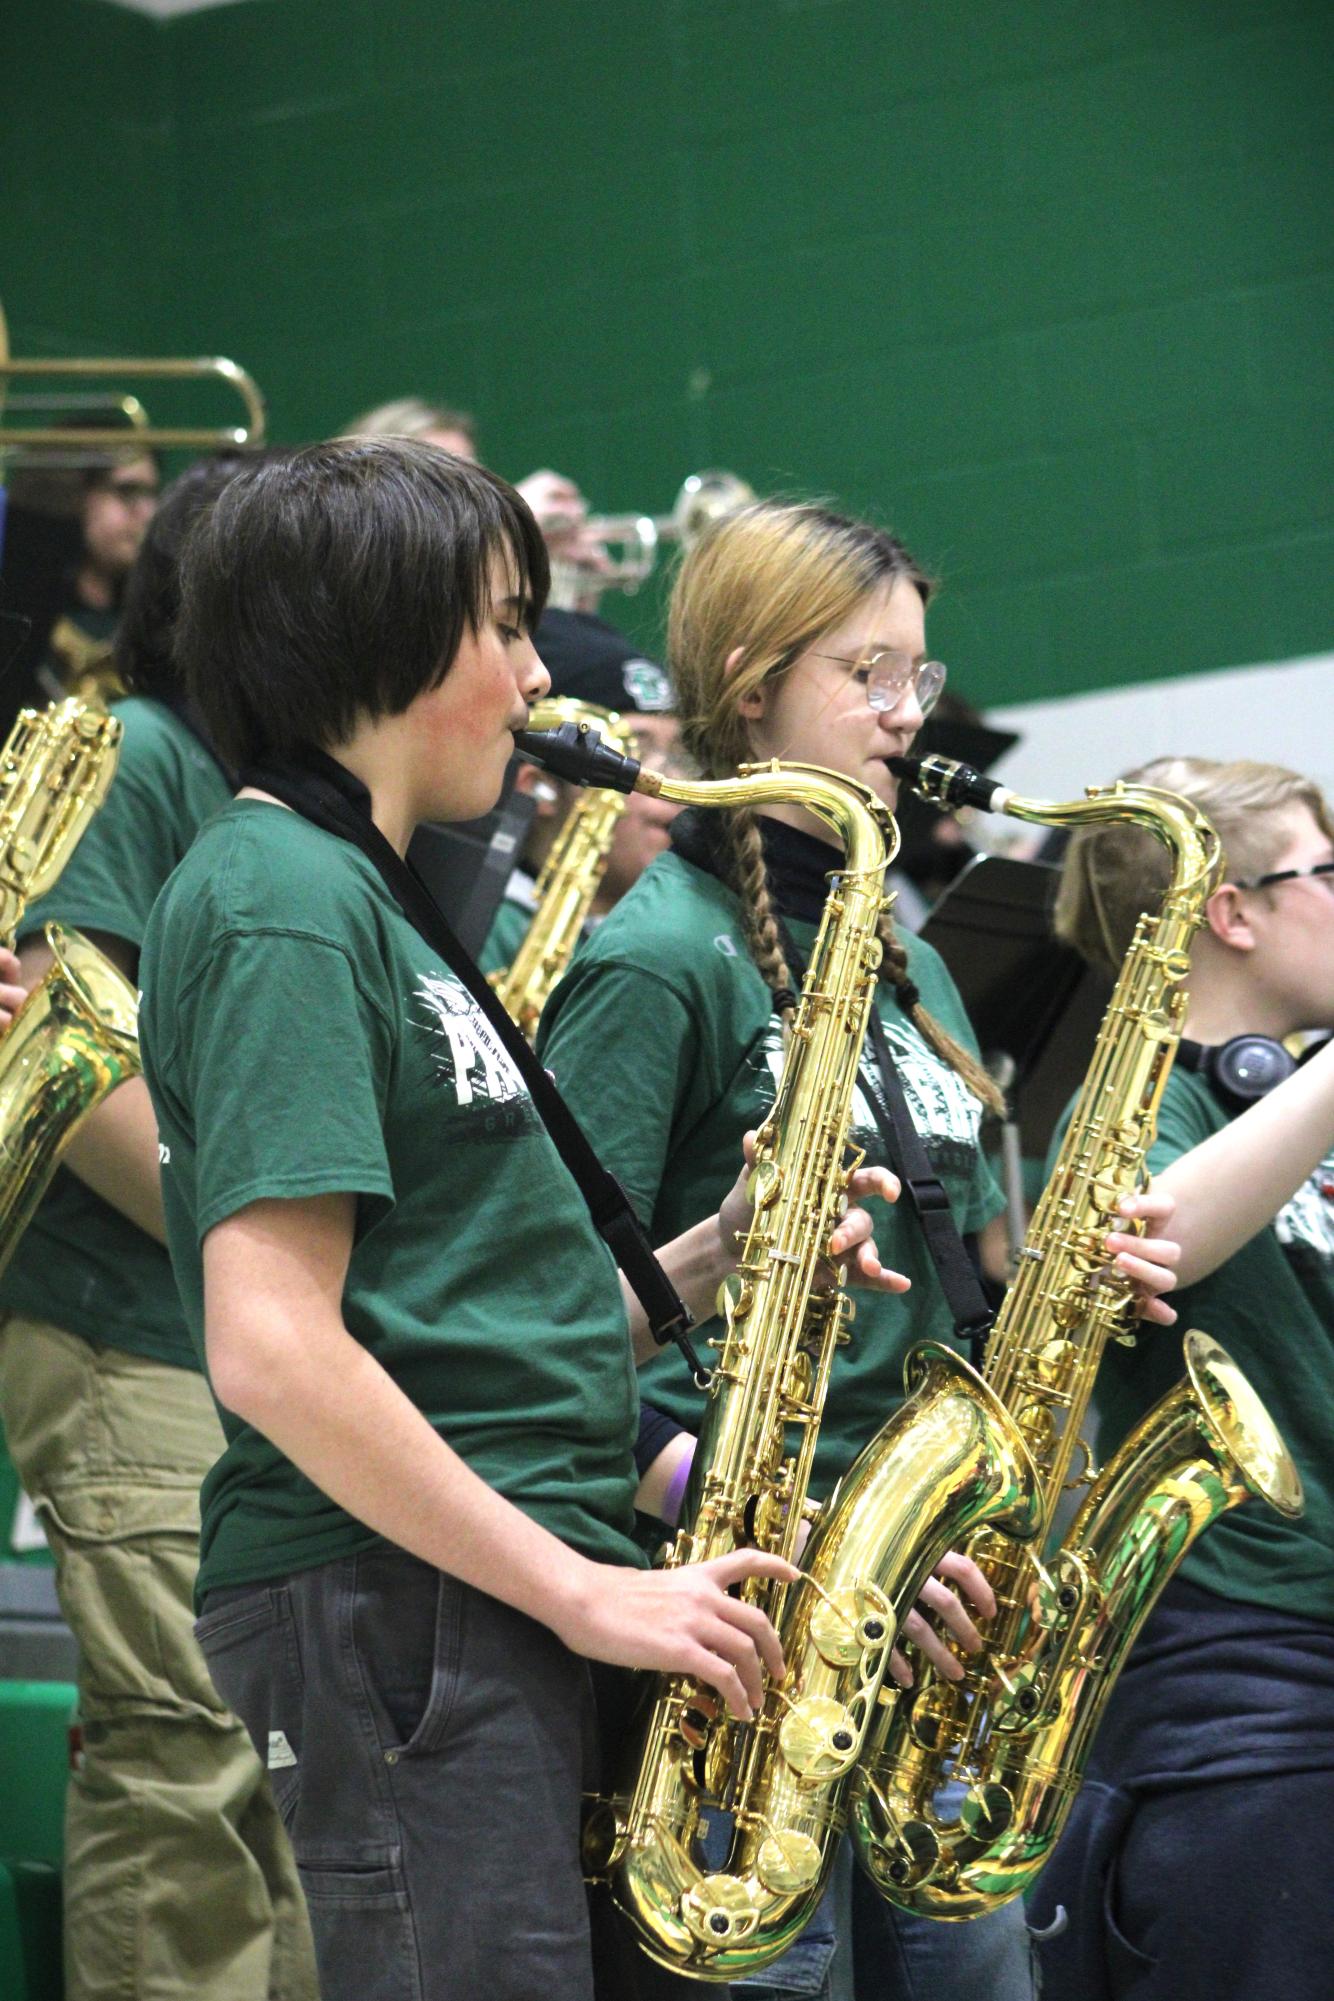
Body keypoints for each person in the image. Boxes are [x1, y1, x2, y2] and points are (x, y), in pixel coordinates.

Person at [134, 440, 905, 2001]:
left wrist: (716, 1250)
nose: (537, 668)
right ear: (388, 637)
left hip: (470, 1584)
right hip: (406, 1599)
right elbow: (272, 1347)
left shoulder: (367, 891)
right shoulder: (282, 890)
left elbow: (447, 1319)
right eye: (502, 624)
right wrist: (586, 1591)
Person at [536, 499, 1181, 2001]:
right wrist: (761, 1525)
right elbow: (552, 1321)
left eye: (917, 674)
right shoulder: (655, 957)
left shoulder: (908, 961)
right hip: (752, 1638)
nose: (911, 715)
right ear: (752, 683)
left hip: (925, 1619)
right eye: (867, 675)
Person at [0, 452, 318, 2001]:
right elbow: (66, 1061)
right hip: (127, 1329)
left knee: (269, 1770)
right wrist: (272, 1261)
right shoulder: (134, 752)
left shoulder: (261, 784)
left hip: (227, 1343)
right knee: (182, 1756)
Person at [1028, 756, 1334, 2001]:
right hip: (1239, 1679)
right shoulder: (1142, 1107)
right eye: (1327, 871)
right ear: (1231, 911)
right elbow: (1151, 1233)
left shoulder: (1288, 1103)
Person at [480, 607, 684, 974]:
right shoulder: (483, 930)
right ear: (539, 786)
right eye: (634, 749)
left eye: (679, 753)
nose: (669, 782)